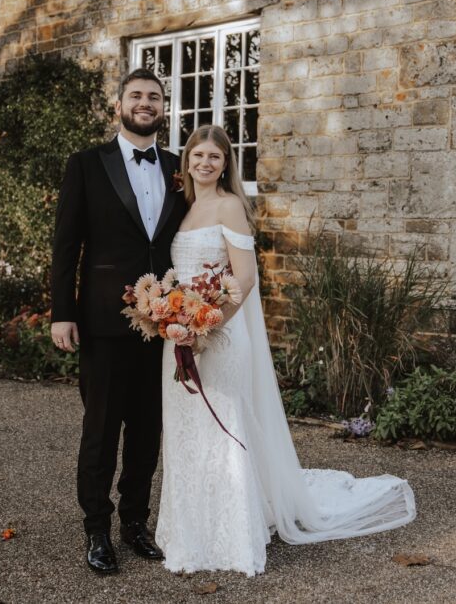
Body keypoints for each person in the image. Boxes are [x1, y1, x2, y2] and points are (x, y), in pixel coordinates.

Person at [156, 125, 416, 576]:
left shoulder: (231, 205)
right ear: (187, 161)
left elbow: (245, 279)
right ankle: (189, 529)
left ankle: (232, 535)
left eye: (214, 157)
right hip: (178, 337)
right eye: (198, 155)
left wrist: (205, 329)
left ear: (226, 164)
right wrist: (173, 321)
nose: (205, 163)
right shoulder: (182, 209)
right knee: (185, 434)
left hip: (219, 336)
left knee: (225, 429)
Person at [50, 68, 188, 574]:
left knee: (149, 429)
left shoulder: (178, 167)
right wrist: (62, 312)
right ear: (119, 105)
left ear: (163, 107)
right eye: (136, 95)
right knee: (101, 429)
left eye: (154, 97)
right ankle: (97, 531)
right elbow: (66, 245)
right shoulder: (86, 165)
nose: (145, 103)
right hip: (104, 321)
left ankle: (135, 523)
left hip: (165, 323)